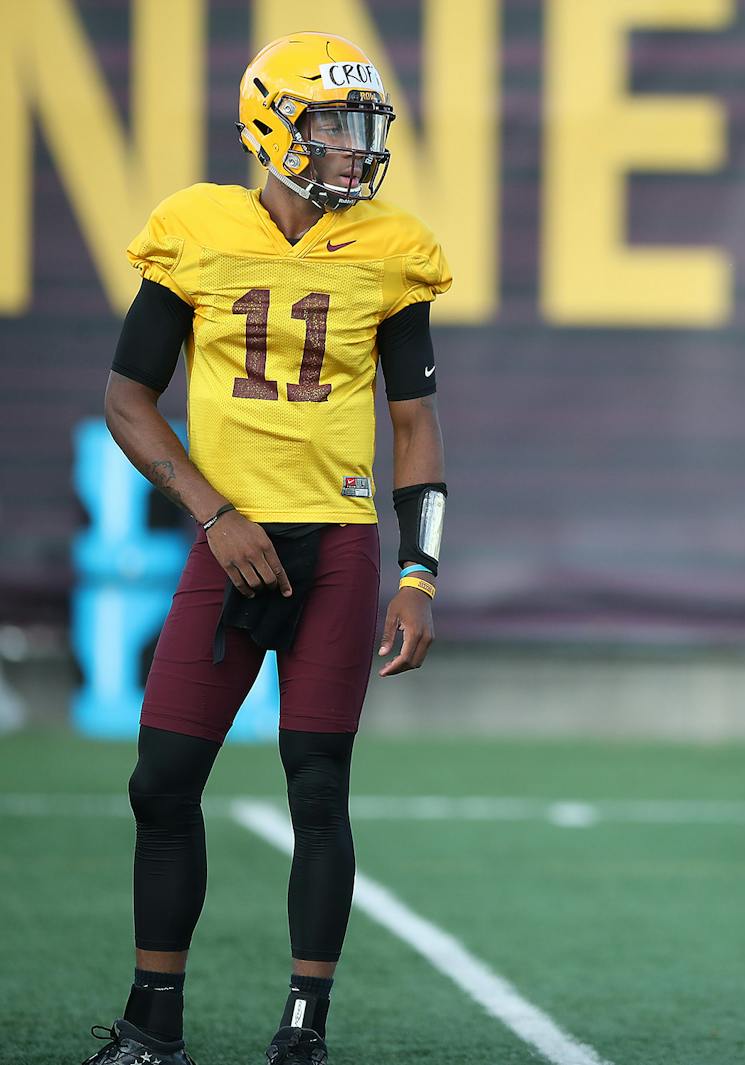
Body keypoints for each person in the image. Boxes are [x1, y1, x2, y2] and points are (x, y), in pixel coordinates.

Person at [85, 31, 451, 1065]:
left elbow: (415, 429)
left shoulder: (391, 249)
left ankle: (304, 1028)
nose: (350, 149)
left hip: (334, 544)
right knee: (162, 781)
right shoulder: (196, 228)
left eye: (359, 128)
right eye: (330, 125)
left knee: (317, 784)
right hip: (230, 539)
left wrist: (420, 574)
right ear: (269, 125)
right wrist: (213, 511)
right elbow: (126, 399)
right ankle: (154, 1019)